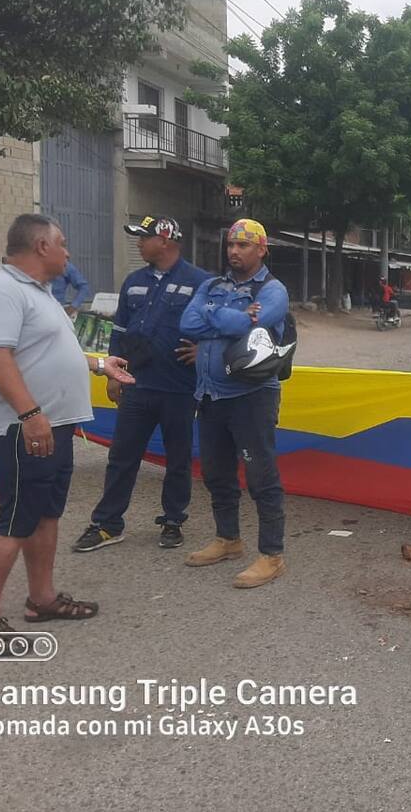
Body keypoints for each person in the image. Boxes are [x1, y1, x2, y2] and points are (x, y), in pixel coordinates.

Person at [0, 214, 134, 651]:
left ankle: (42, 599)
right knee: (16, 520)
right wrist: (30, 414)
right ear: (41, 246)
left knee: (46, 513)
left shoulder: (39, 292)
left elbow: (50, 350)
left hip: (52, 424)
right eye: (62, 243)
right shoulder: (0, 291)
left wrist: (98, 364)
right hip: (24, 429)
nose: (68, 252)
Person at [72, 217, 211, 553]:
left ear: (165, 240)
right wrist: (111, 373)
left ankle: (173, 520)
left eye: (143, 237)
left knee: (178, 458)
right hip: (137, 384)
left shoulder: (201, 282)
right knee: (122, 456)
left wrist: (206, 350)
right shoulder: (134, 281)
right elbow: (120, 330)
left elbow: (218, 325)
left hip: (179, 388)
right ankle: (107, 524)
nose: (138, 243)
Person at [179, 218, 289, 589]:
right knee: (215, 473)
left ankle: (272, 554)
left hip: (251, 396)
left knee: (261, 475)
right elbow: (187, 323)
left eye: (243, 246)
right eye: (230, 245)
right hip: (209, 394)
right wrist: (227, 318)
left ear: (261, 249)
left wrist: (211, 315)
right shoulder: (213, 285)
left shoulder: (273, 291)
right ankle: (228, 539)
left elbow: (249, 328)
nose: (234, 252)